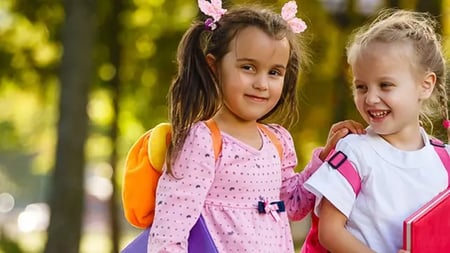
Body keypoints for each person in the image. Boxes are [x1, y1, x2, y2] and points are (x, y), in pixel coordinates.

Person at [146, 0, 365, 252]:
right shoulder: (204, 140)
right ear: (213, 67)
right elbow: (169, 230)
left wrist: (325, 157)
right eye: (248, 67)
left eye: (274, 72)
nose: (262, 83)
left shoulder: (277, 140)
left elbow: (293, 205)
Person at [304, 9, 450, 253]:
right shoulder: (355, 151)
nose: (371, 98)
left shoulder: (444, 160)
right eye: (361, 86)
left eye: (385, 85)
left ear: (425, 86)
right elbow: (329, 232)